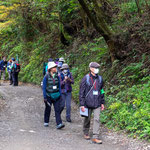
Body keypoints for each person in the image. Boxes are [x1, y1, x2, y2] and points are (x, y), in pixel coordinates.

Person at [79, 62, 105, 144]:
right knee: (87, 118)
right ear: (91, 68)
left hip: (97, 102)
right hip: (87, 103)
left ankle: (95, 137)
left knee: (97, 119)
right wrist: (82, 104)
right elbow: (81, 92)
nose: (97, 69)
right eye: (95, 67)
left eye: (97, 68)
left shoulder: (100, 79)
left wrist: (102, 102)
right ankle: (86, 132)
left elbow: (101, 91)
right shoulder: (85, 78)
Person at [42, 61, 65, 129]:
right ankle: (46, 121)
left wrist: (60, 94)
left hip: (57, 95)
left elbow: (59, 86)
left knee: (57, 109)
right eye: (54, 67)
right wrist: (45, 97)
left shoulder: (57, 76)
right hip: (49, 96)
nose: (55, 68)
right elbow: (44, 87)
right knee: (48, 109)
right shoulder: (46, 77)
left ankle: (59, 123)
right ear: (50, 68)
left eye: (55, 67)